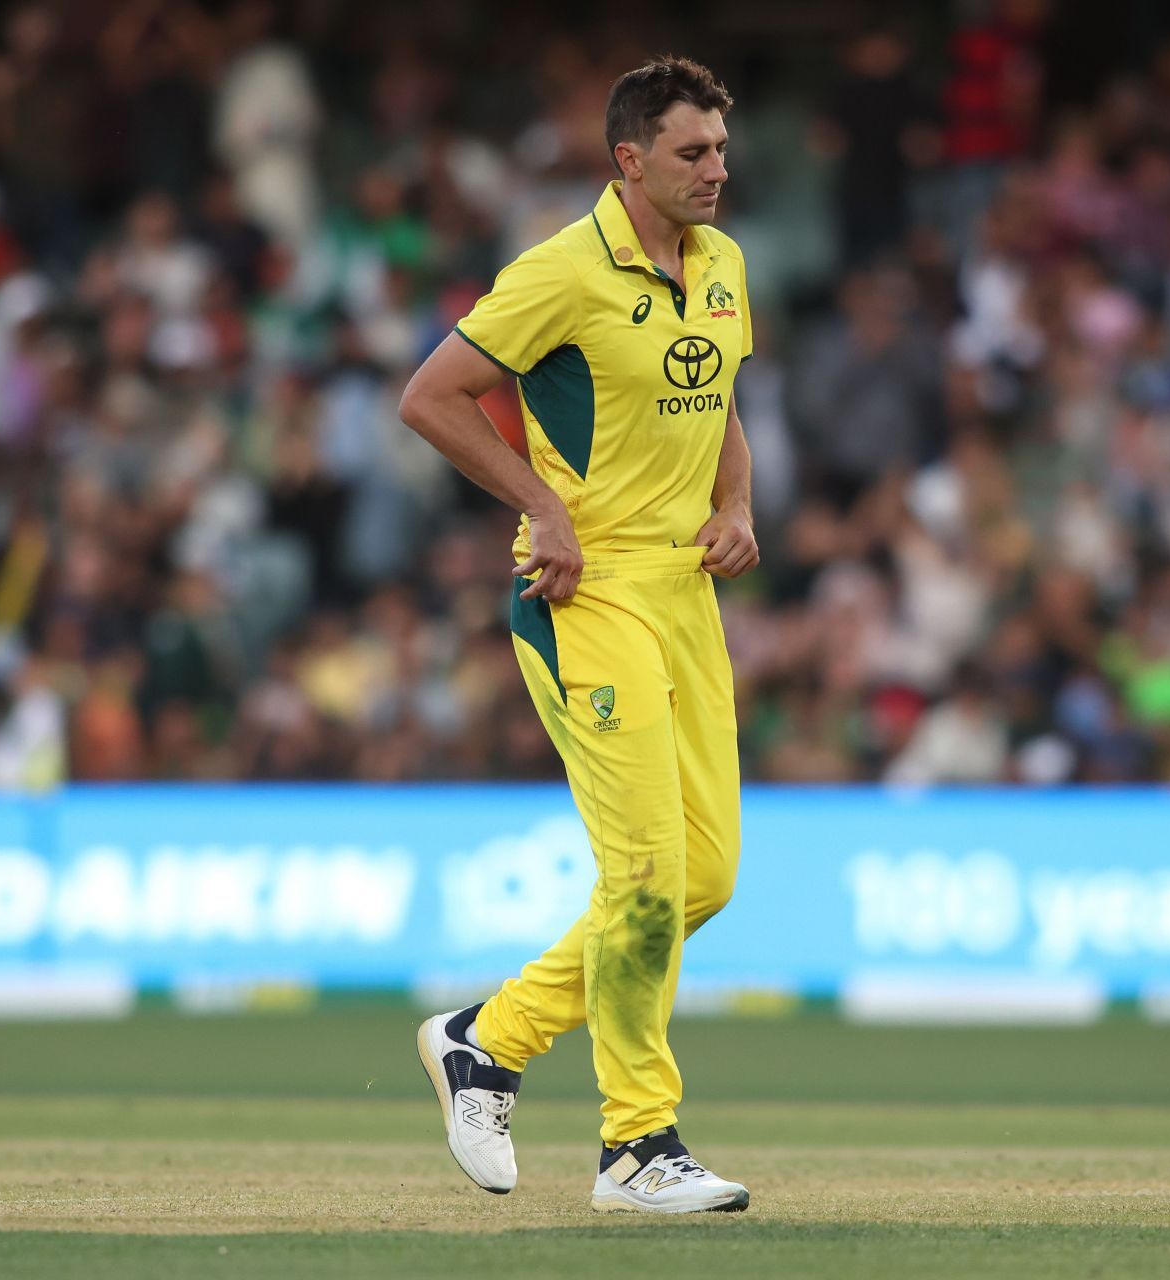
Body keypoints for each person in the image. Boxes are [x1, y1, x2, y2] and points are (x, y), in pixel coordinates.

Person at [398, 55, 758, 1214]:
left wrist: (736, 504)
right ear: (630, 161)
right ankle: (637, 1145)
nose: (716, 169)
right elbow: (432, 395)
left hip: (682, 596)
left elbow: (719, 407)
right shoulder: (560, 271)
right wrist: (541, 506)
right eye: (692, 151)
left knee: (702, 877)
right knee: (645, 872)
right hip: (583, 592)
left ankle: (484, 1036)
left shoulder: (723, 266)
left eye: (719, 148)